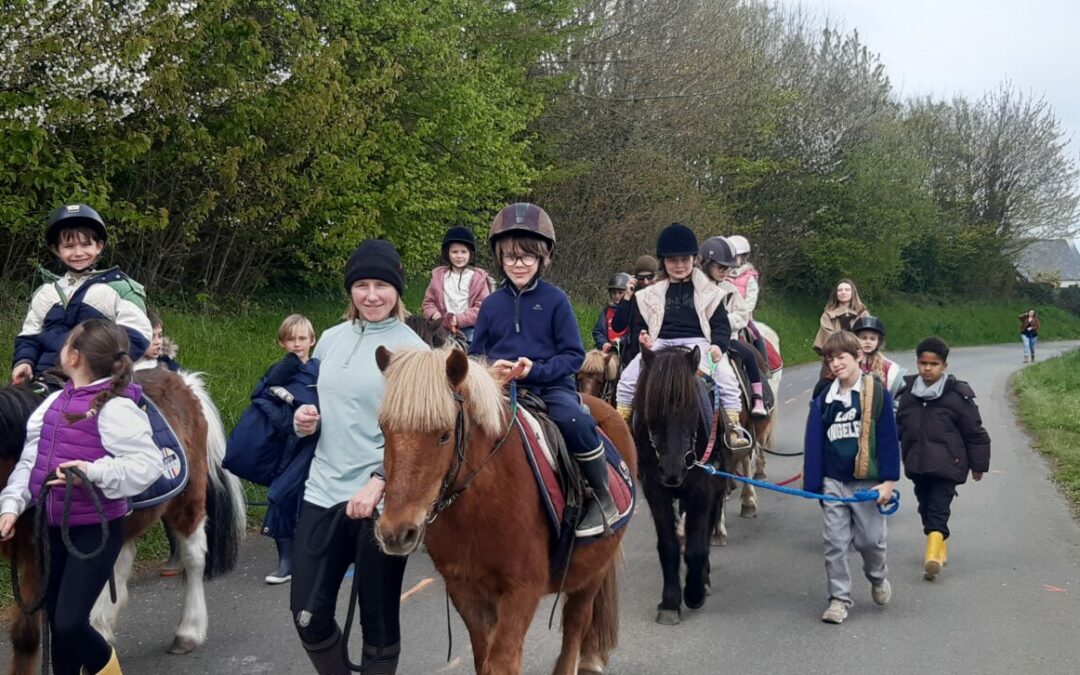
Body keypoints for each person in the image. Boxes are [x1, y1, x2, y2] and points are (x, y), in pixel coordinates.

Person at [289, 241, 426, 674]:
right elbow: (320, 401)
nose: (371, 295)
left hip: (381, 501)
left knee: (378, 623)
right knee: (307, 615)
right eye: (361, 285)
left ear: (397, 290)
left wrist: (380, 480)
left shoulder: (413, 352)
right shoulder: (330, 340)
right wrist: (304, 419)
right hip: (323, 489)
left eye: (381, 285)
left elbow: (420, 438)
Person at [0, 319, 164, 675]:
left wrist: (93, 471)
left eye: (66, 342)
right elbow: (31, 461)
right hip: (51, 528)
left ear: (73, 357)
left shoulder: (116, 408)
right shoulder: (53, 403)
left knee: (71, 624)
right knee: (59, 627)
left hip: (94, 532)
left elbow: (149, 465)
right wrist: (11, 506)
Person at [470, 202, 620, 537]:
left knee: (575, 420)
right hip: (498, 390)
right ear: (499, 258)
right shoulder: (490, 305)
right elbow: (475, 354)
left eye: (528, 256)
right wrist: (489, 369)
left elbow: (573, 355)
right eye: (511, 257)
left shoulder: (556, 300)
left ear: (543, 258)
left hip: (549, 388)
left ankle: (602, 496)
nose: (519, 264)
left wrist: (534, 370)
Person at [611, 224, 751, 451]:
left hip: (700, 343)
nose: (679, 265)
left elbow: (721, 326)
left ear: (694, 259)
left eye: (684, 259)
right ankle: (621, 426)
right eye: (672, 260)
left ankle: (733, 428)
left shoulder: (711, 292)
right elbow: (640, 325)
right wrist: (643, 338)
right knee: (627, 378)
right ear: (663, 262)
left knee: (726, 377)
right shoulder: (649, 294)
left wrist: (718, 346)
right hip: (661, 343)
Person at [803, 331, 899, 625]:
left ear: (858, 356)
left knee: (870, 541)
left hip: (867, 484)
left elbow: (888, 438)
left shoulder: (876, 393)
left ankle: (877, 577)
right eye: (830, 359)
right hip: (833, 482)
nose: (835, 364)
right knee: (834, 542)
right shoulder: (825, 398)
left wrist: (888, 481)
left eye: (841, 357)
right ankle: (839, 599)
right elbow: (814, 442)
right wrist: (815, 485)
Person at [226, 314, 321, 585]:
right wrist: (288, 422)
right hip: (288, 446)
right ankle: (286, 561)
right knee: (280, 496)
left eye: (302, 338)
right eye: (291, 339)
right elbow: (260, 397)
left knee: (308, 498)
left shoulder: (321, 370)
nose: (297, 344)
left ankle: (317, 554)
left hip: (317, 446)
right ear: (281, 342)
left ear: (312, 340)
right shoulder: (277, 373)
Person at [12, 204, 152, 385]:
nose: (78, 253)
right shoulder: (45, 293)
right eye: (69, 246)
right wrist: (24, 361)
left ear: (99, 246)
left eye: (86, 245)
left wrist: (99, 372)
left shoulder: (119, 289)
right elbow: (30, 335)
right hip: (44, 378)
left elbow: (137, 335)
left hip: (98, 381)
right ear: (56, 249)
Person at [895, 336, 991, 581]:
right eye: (923, 363)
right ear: (917, 363)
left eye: (934, 364)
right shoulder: (907, 395)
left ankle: (932, 557)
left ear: (944, 366)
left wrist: (978, 465)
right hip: (917, 463)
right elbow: (898, 427)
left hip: (948, 465)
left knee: (939, 507)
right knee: (925, 506)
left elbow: (975, 433)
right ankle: (940, 545)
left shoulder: (957, 396)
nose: (928, 368)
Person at [698, 236, 768, 417]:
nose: (725, 272)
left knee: (749, 354)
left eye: (727, 268)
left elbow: (743, 313)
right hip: (700, 339)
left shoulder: (730, 289)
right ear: (706, 264)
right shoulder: (695, 288)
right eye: (720, 267)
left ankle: (758, 398)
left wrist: (723, 321)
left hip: (726, 338)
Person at [421, 227, 491, 344]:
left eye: (463, 252)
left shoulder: (478, 279)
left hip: (469, 327)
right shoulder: (438, 278)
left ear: (470, 254)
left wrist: (458, 319)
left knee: (474, 346)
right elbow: (428, 303)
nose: (459, 256)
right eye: (454, 252)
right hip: (442, 327)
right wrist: (433, 314)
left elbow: (482, 308)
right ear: (447, 253)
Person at [812, 279, 868, 379]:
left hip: (859, 358)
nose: (843, 292)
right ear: (836, 293)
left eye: (847, 289)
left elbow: (866, 336)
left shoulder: (863, 314)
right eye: (840, 290)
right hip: (834, 360)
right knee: (825, 386)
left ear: (853, 292)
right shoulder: (827, 315)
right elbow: (828, 337)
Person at [726, 234, 768, 358]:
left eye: (735, 256)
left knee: (755, 333)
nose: (733, 259)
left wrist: (743, 312)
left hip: (744, 317)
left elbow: (751, 299)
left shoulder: (749, 277)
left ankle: (764, 363)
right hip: (725, 315)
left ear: (743, 257)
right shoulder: (723, 275)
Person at [852, 315, 905, 402]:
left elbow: (899, 396)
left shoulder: (889, 367)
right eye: (864, 338)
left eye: (872, 339)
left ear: (879, 341)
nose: (868, 342)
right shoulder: (850, 363)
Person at [592, 273, 631, 352]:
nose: (617, 296)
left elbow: (634, 334)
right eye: (614, 293)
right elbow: (597, 331)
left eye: (620, 293)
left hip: (625, 351)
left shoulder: (632, 312)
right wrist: (603, 343)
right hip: (607, 350)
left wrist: (620, 340)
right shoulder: (607, 311)